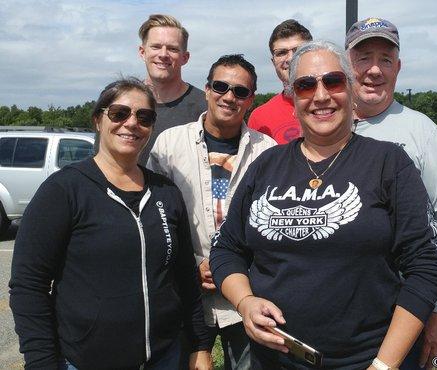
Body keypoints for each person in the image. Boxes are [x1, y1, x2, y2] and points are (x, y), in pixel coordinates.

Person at [210, 40, 437, 369]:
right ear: (293, 98)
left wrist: (385, 363)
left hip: (366, 360)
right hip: (275, 360)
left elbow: (427, 268)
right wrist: (245, 301)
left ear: (351, 90)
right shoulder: (267, 166)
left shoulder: (388, 163)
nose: (321, 95)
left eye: (333, 81)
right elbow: (227, 249)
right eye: (306, 85)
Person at [9, 77, 212, 370]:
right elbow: (29, 286)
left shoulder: (165, 192)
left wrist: (200, 345)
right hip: (87, 361)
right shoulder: (64, 190)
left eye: (144, 117)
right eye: (119, 113)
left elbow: (184, 278)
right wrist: (42, 362)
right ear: (98, 120)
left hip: (165, 358)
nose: (132, 123)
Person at [345, 17, 437, 368]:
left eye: (386, 59)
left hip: (408, 309)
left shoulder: (421, 131)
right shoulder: (326, 128)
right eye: (363, 57)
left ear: (398, 68)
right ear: (345, 63)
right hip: (344, 316)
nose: (374, 70)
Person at [148, 54, 276, 369]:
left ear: (251, 100)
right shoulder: (169, 144)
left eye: (240, 91)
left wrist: (229, 267)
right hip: (184, 290)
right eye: (221, 86)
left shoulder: (268, 152)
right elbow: (154, 217)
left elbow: (273, 226)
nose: (229, 96)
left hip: (244, 292)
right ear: (207, 89)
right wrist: (192, 264)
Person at [137, 14, 207, 165]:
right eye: (156, 46)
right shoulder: (120, 103)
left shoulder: (205, 108)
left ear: (185, 58)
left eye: (172, 49)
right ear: (142, 52)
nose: (163, 54)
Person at [247, 19, 312, 144]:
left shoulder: (333, 104)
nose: (290, 58)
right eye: (281, 53)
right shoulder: (260, 118)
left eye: (297, 50)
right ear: (273, 62)